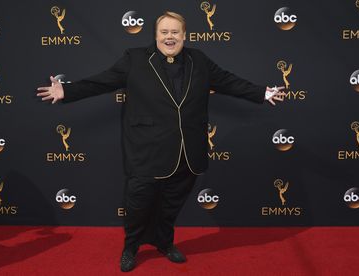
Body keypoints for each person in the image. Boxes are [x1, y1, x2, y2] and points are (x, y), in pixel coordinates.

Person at [37, 11, 285, 272]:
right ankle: (131, 247)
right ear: (155, 36)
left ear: (184, 35)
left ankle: (165, 242)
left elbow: (227, 81)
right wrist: (67, 90)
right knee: (138, 204)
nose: (170, 37)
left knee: (171, 204)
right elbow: (102, 82)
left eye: (175, 32)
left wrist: (262, 93)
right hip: (148, 150)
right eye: (164, 32)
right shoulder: (135, 59)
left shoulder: (198, 60)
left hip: (188, 150)